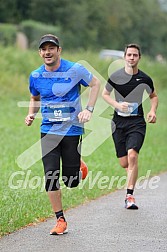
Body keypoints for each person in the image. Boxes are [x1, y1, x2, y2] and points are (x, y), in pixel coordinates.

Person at [25, 34, 100, 234]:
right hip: (48, 130)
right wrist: (31, 114)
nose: (47, 52)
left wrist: (89, 110)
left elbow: (95, 84)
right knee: (50, 175)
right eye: (44, 49)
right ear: (40, 52)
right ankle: (60, 220)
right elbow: (34, 97)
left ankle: (78, 165)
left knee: (71, 181)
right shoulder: (36, 75)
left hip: (72, 130)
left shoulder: (74, 69)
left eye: (51, 48)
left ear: (59, 50)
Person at [102, 43, 158, 209]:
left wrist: (153, 111)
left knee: (133, 155)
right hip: (118, 123)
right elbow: (105, 94)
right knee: (124, 163)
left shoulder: (145, 79)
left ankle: (129, 196)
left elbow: (153, 96)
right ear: (124, 57)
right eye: (129, 55)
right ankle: (131, 176)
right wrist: (117, 105)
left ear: (139, 58)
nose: (132, 57)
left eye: (135, 55)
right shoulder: (115, 76)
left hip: (137, 122)